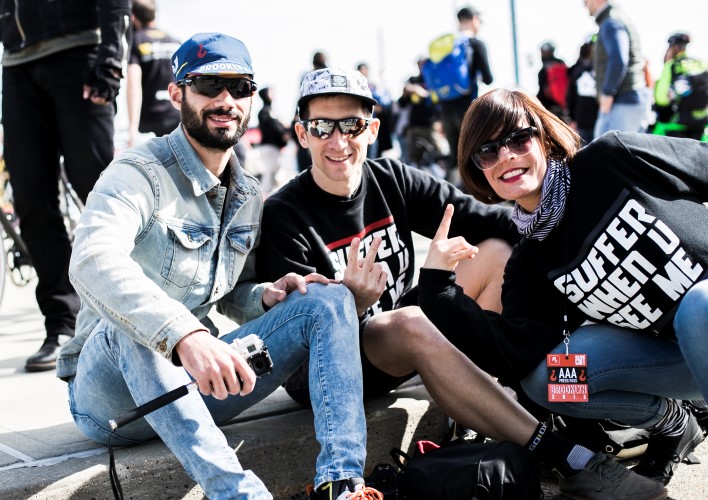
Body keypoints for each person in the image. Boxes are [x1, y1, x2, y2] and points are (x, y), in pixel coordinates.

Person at [257, 67, 669, 500]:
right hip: (323, 369)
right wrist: (352, 304)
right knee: (408, 321)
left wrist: (577, 228)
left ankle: (495, 401)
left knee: (493, 252)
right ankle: (569, 457)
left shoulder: (391, 178)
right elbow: (296, 335)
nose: (338, 141)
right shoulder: (285, 212)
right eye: (322, 127)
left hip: (393, 335)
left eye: (352, 126)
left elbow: (492, 220)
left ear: (373, 129)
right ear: (302, 134)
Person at [57, 33, 382, 500]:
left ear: (251, 98)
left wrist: (266, 295)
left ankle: (341, 482)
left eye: (240, 87)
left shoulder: (247, 193)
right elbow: (91, 259)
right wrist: (183, 334)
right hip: (110, 400)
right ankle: (240, 494)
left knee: (327, 299)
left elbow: (232, 292)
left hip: (195, 384)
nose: (226, 100)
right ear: (177, 94)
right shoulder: (137, 172)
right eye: (209, 85)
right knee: (133, 328)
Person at [419, 87, 707, 487]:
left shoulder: (612, 159)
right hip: (680, 360)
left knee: (699, 304)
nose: (506, 156)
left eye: (518, 139)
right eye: (487, 151)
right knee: (550, 381)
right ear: (478, 168)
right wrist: (437, 289)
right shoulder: (530, 264)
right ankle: (673, 423)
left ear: (544, 137)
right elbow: (513, 354)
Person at [0, 0, 130, 372]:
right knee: (30, 197)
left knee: (101, 189)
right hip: (16, 63)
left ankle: (147, 306)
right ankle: (62, 323)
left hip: (80, 51)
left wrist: (111, 59)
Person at [438, 5, 493, 178]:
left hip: (445, 108)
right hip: (466, 108)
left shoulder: (446, 45)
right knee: (473, 151)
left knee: (455, 155)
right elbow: (488, 78)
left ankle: (451, 190)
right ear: (473, 20)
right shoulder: (475, 44)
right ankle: (473, 191)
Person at [584, 0, 647, 137]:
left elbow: (618, 59)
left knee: (605, 148)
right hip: (628, 99)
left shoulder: (611, 22)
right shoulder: (616, 18)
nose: (584, 4)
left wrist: (607, 92)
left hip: (623, 100)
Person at [127, 0, 181, 146]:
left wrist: (132, 131)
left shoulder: (136, 41)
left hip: (149, 123)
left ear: (133, 17)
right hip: (177, 117)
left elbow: (133, 85)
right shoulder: (176, 42)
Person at [653, 32, 708, 140]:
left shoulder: (672, 65)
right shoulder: (702, 63)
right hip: (702, 124)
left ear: (673, 47)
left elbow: (661, 99)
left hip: (677, 125)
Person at [256, 87, 290, 195]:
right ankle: (263, 199)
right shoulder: (264, 112)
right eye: (270, 92)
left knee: (276, 176)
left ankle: (272, 197)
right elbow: (272, 127)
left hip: (276, 148)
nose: (273, 94)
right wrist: (283, 132)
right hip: (268, 147)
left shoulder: (272, 111)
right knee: (269, 175)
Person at [566, 37, 600, 144]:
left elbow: (570, 97)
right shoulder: (578, 69)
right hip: (585, 122)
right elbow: (571, 96)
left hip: (592, 120)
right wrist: (572, 119)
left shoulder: (577, 69)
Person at [536, 42, 569, 120]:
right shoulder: (561, 63)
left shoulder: (542, 71)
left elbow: (543, 91)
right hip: (565, 106)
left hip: (550, 108)